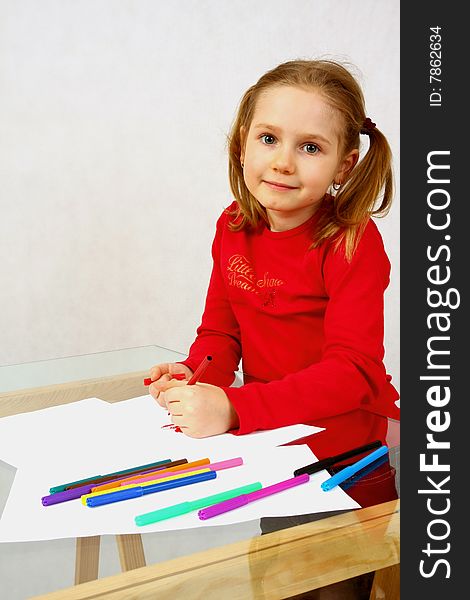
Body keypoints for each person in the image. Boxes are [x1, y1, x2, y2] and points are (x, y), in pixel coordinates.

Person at [148, 58, 400, 468]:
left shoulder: (352, 242)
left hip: (349, 448)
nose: (284, 161)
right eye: (269, 139)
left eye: (310, 147)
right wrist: (194, 373)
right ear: (243, 144)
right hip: (269, 435)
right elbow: (221, 333)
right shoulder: (232, 226)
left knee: (321, 536)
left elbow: (352, 372)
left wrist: (233, 407)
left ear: (344, 165)